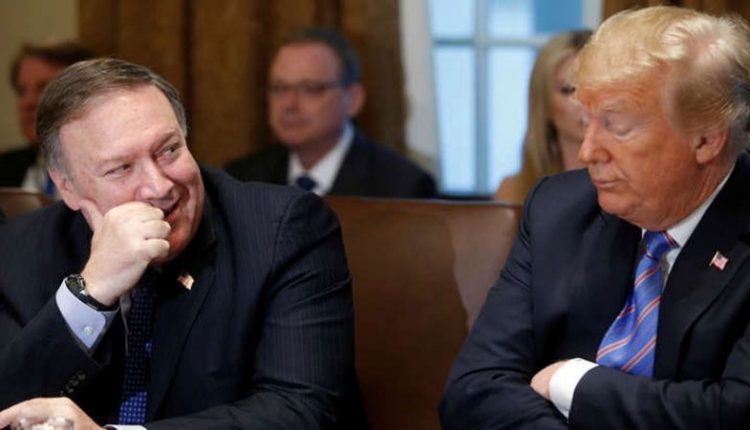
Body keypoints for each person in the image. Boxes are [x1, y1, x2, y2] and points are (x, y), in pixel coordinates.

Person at [0, 58, 365, 429]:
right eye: (121, 168)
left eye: (169, 150)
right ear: (67, 186)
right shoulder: (20, 250)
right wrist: (90, 293)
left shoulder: (282, 231)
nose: (159, 186)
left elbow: (301, 410)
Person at [441, 5, 750, 429]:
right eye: (586, 123)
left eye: (616, 127)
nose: (588, 152)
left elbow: (735, 411)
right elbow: (473, 389)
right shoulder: (560, 211)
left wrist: (575, 384)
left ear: (706, 139)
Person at [225, 27, 436, 198]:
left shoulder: (402, 186)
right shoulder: (240, 180)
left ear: (353, 100)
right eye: (280, 88)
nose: (289, 104)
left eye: (311, 89)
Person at [495, 30, 591, 204]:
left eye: (595, 87)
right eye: (569, 89)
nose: (585, 100)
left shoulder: (633, 189)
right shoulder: (514, 190)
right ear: (544, 104)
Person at [0, 41, 94, 197]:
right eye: (22, 91)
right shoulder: (4, 168)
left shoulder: (112, 169)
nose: (27, 102)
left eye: (43, 88)